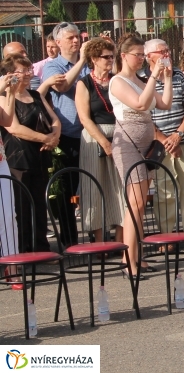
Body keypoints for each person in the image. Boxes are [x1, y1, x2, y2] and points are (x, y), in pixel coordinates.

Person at [110, 33, 172, 279]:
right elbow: (139, 103)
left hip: (146, 142)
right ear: (124, 56)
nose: (140, 59)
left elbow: (164, 104)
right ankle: (128, 260)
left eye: (142, 55)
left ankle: (137, 256)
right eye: (137, 55)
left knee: (140, 203)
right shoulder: (118, 81)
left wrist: (165, 78)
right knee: (134, 204)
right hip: (128, 144)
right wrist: (155, 76)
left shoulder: (139, 78)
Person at [143, 39, 184, 246]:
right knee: (165, 190)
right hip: (159, 144)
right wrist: (164, 140)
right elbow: (145, 117)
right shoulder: (143, 79)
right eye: (161, 51)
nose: (166, 54)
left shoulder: (178, 75)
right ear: (148, 57)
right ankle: (166, 236)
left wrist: (178, 135)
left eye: (167, 50)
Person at [0, 54, 61, 254]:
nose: (28, 74)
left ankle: (41, 248)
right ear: (10, 74)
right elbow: (13, 127)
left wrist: (55, 135)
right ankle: (23, 250)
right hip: (18, 156)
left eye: (29, 70)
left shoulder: (35, 95)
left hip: (39, 155)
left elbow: (54, 119)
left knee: (39, 204)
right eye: (23, 70)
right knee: (21, 207)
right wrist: (45, 139)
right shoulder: (4, 97)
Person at [42, 22, 91, 247]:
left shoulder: (90, 64)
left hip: (91, 134)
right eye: (70, 38)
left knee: (92, 186)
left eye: (77, 37)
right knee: (67, 191)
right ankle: (69, 239)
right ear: (58, 42)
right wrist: (81, 60)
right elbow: (61, 88)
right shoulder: (53, 68)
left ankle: (96, 235)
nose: (75, 41)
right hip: (68, 135)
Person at [74, 38, 125, 243]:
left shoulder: (116, 80)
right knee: (95, 187)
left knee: (120, 188)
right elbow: (84, 117)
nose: (110, 60)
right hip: (95, 137)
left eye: (112, 57)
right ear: (94, 59)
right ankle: (100, 242)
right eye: (106, 57)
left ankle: (121, 240)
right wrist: (104, 142)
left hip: (120, 135)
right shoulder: (84, 83)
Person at [0, 71, 20, 288]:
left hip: (0, 160)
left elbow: (5, 119)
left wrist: (11, 93)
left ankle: (12, 267)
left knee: (8, 215)